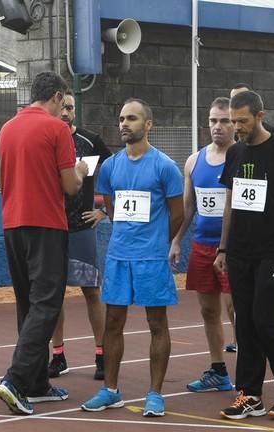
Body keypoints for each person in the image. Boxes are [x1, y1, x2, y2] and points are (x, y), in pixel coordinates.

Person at [213, 90, 274, 420]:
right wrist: (223, 248)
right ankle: (249, 393)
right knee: (244, 325)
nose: (236, 127)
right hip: (240, 252)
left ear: (259, 115)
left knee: (269, 322)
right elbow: (230, 205)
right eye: (233, 121)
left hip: (273, 252)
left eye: (242, 121)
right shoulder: (235, 153)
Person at [81, 98, 184, 418]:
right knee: (112, 322)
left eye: (132, 119)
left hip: (152, 259)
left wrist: (155, 243)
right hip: (118, 256)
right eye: (122, 118)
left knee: (157, 324)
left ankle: (155, 393)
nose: (124, 124)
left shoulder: (165, 166)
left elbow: (178, 214)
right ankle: (110, 390)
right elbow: (108, 205)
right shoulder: (110, 166)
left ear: (148, 125)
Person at [0, 71, 88, 415]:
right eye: (63, 104)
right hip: (46, 224)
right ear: (54, 98)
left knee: (28, 304)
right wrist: (79, 170)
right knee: (47, 304)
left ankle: (35, 382)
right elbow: (70, 186)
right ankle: (16, 379)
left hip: (12, 225)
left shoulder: (6, 129)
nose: (64, 112)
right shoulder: (57, 129)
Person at [168, 97, 235, 393]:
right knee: (209, 311)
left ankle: (249, 369)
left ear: (234, 123)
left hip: (234, 250)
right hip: (202, 245)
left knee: (237, 311)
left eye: (224, 121)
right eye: (213, 121)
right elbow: (188, 207)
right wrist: (176, 240)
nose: (217, 127)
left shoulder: (242, 157)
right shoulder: (194, 161)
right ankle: (218, 370)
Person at [48, 91, 111, 381]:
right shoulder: (47, 140)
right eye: (62, 107)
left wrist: (103, 211)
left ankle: (102, 355)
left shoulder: (90, 141)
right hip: (53, 228)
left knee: (91, 292)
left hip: (83, 228)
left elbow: (115, 173)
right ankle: (57, 355)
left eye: (71, 108)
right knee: (54, 295)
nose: (66, 112)